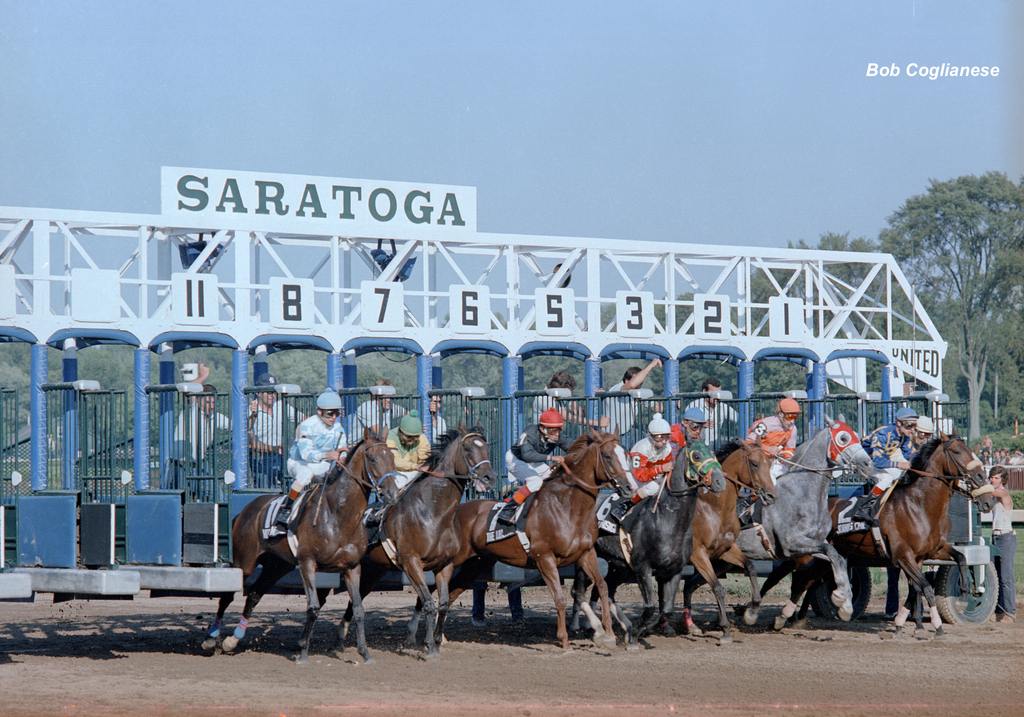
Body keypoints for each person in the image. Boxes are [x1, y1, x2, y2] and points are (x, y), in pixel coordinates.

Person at [277, 390, 349, 529]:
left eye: (337, 413)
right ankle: (286, 509)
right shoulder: (307, 426)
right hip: (298, 463)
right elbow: (306, 455)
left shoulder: (338, 427)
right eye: (330, 413)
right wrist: (329, 455)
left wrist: (343, 458)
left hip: (321, 464)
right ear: (319, 411)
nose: (334, 417)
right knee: (305, 474)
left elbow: (342, 448)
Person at [503, 408, 573, 521]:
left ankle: (525, 493)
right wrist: (551, 457)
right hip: (516, 459)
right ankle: (508, 508)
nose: (556, 434)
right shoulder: (530, 432)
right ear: (542, 428)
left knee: (554, 479)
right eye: (553, 430)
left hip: (535, 461)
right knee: (536, 481)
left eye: (559, 430)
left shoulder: (556, 436)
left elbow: (572, 447)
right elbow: (527, 455)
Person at [854, 406, 918, 522]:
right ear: (898, 423)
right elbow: (877, 462)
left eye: (915, 426)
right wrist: (899, 464)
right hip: (863, 460)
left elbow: (910, 455)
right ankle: (864, 509)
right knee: (887, 478)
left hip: (879, 460)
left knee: (902, 473)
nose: (913, 430)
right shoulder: (883, 434)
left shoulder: (904, 436)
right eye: (909, 425)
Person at [248, 375, 296, 488]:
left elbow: (302, 418)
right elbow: (248, 439)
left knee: (293, 487)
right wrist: (253, 415)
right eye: (268, 392)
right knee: (265, 491)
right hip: (261, 459)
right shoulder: (249, 411)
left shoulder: (281, 405)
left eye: (274, 392)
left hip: (282, 456)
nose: (272, 395)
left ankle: (292, 504)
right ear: (258, 393)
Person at [746, 398, 800, 483]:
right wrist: (768, 449)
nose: (792, 421)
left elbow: (789, 450)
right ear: (781, 414)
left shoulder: (793, 429)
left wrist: (786, 457)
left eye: (795, 417)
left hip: (775, 462)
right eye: (790, 416)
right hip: (757, 462)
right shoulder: (764, 425)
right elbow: (749, 443)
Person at [605, 358, 662, 439]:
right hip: (613, 436)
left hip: (627, 432)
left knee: (648, 440)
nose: (639, 385)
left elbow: (658, 409)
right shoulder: (618, 388)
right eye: (638, 382)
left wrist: (652, 400)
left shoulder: (636, 392)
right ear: (626, 380)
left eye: (641, 383)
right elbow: (632, 385)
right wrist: (651, 365)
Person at [990, 466, 1016, 623]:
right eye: (991, 477)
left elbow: (991, 492)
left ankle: (1010, 613)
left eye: (996, 477)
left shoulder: (1003, 494)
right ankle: (999, 612)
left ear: (1003, 480)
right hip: (995, 538)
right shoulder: (993, 496)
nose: (992, 479)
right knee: (996, 577)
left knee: (1006, 577)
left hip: (1006, 537)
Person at [628, 413, 674, 502]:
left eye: (667, 437)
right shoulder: (641, 449)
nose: (664, 441)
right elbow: (639, 475)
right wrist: (660, 469)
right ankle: (629, 504)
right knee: (654, 487)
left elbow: (667, 469)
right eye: (659, 437)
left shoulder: (667, 448)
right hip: (632, 476)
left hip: (652, 476)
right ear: (650, 436)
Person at [684, 377, 738, 448]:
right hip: (696, 446)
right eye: (714, 393)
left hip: (715, 446)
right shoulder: (693, 405)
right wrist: (701, 424)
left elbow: (739, 418)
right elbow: (685, 425)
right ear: (704, 391)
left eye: (719, 393)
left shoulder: (723, 406)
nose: (717, 396)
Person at [386, 411, 431, 494]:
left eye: (416, 437)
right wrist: (415, 466)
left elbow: (425, 459)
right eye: (409, 436)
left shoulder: (422, 438)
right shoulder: (391, 437)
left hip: (415, 473)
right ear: (401, 432)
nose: (413, 440)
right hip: (396, 473)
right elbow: (394, 461)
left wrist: (423, 466)